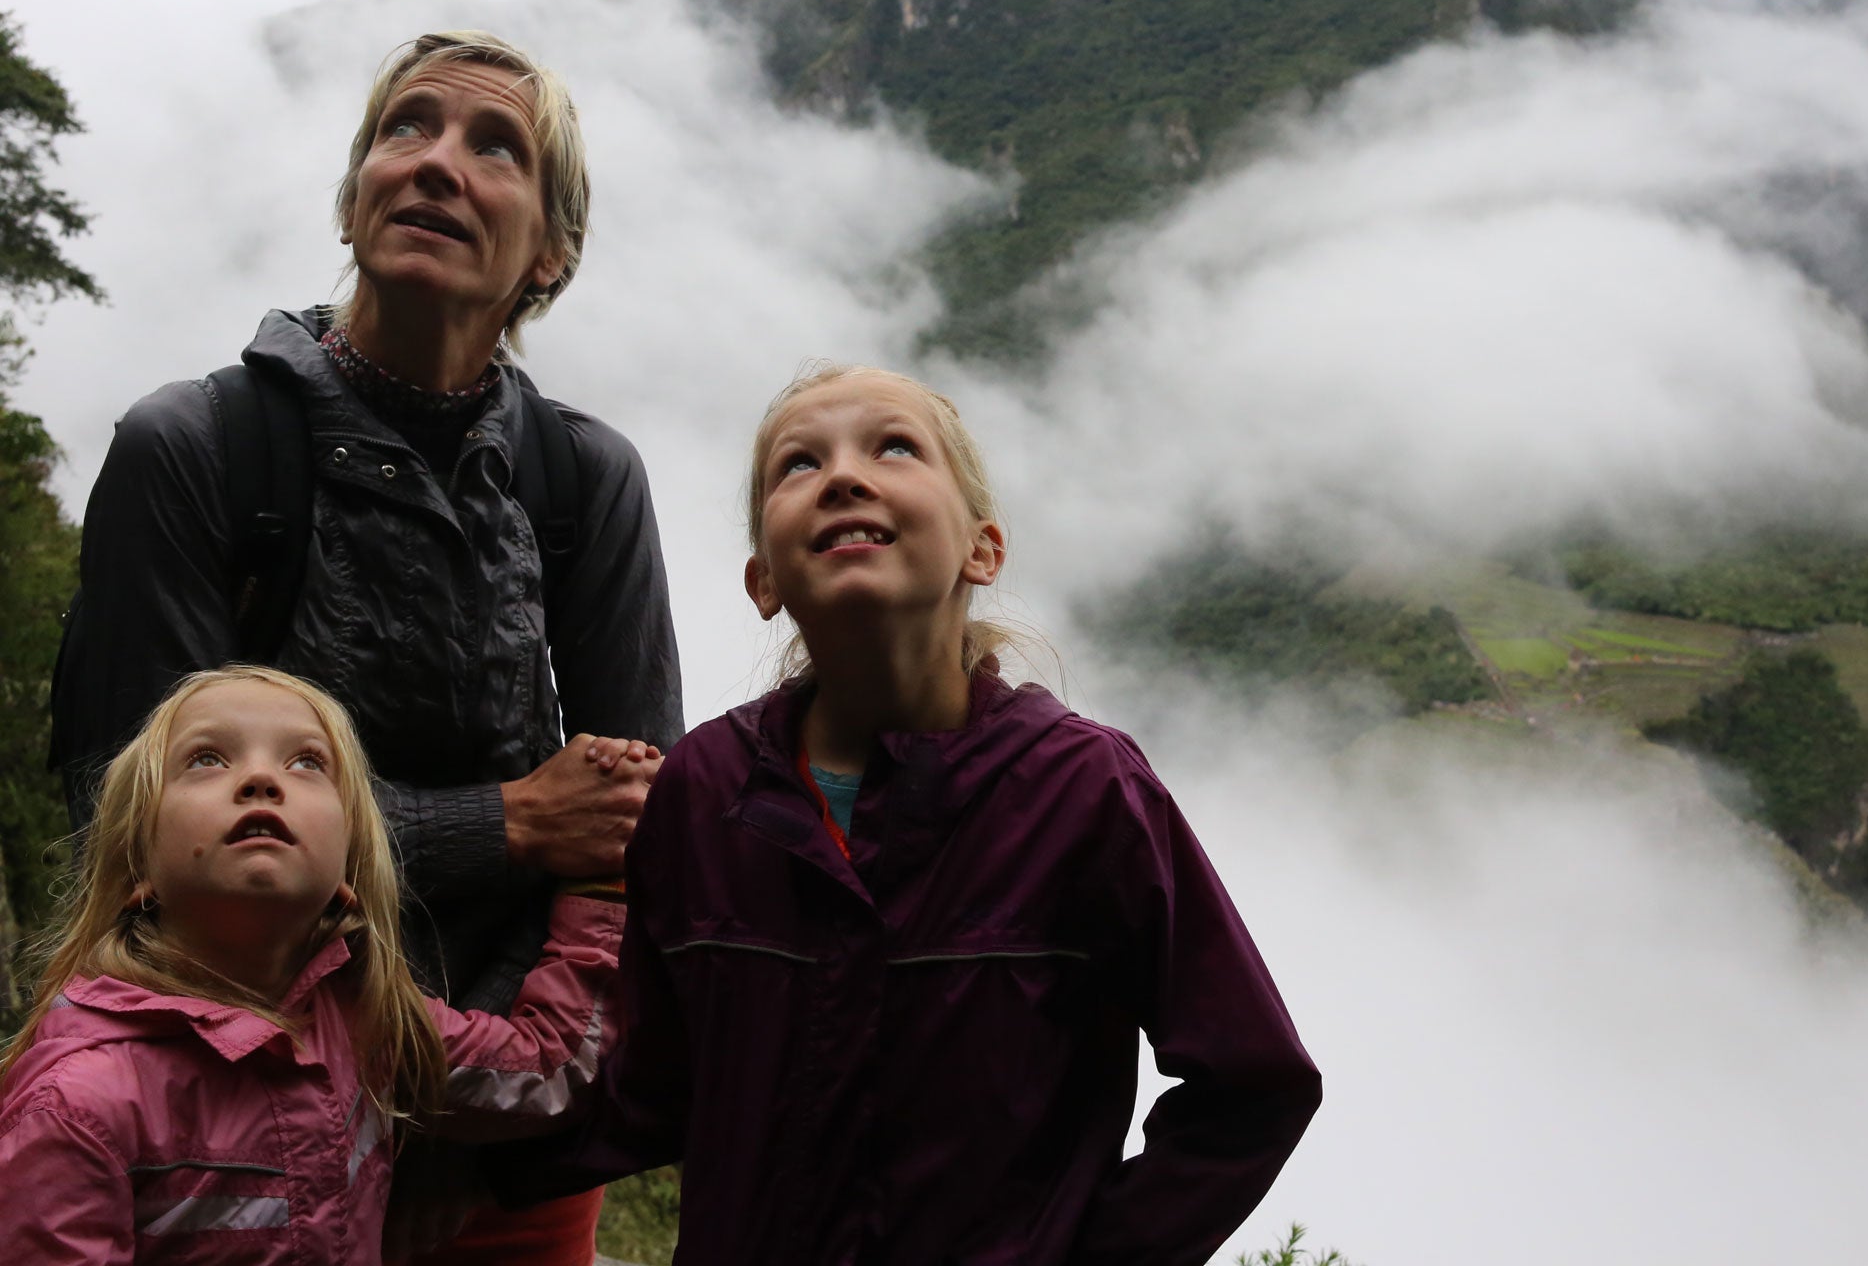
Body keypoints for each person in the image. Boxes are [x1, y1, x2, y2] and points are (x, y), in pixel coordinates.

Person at [48, 30, 683, 1258]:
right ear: (352, 201)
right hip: (226, 1120)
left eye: (495, 147)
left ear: (549, 254)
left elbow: (621, 831)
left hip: (511, 1140)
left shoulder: (581, 480)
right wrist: (505, 822)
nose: (439, 163)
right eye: (408, 129)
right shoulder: (194, 450)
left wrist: (457, 1126)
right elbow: (124, 815)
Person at [491, 363, 1322, 1263]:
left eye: (894, 447)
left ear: (983, 549)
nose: (845, 475)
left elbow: (1254, 1082)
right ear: (762, 578)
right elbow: (653, 1085)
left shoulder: (1083, 791)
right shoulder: (705, 791)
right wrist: (450, 1178)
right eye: (798, 465)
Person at [0, 666, 624, 1263]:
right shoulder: (78, 1107)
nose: (261, 780)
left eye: (306, 763)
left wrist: (604, 879)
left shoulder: (363, 1023)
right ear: (138, 870)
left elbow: (543, 1073)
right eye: (206, 758)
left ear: (349, 875)